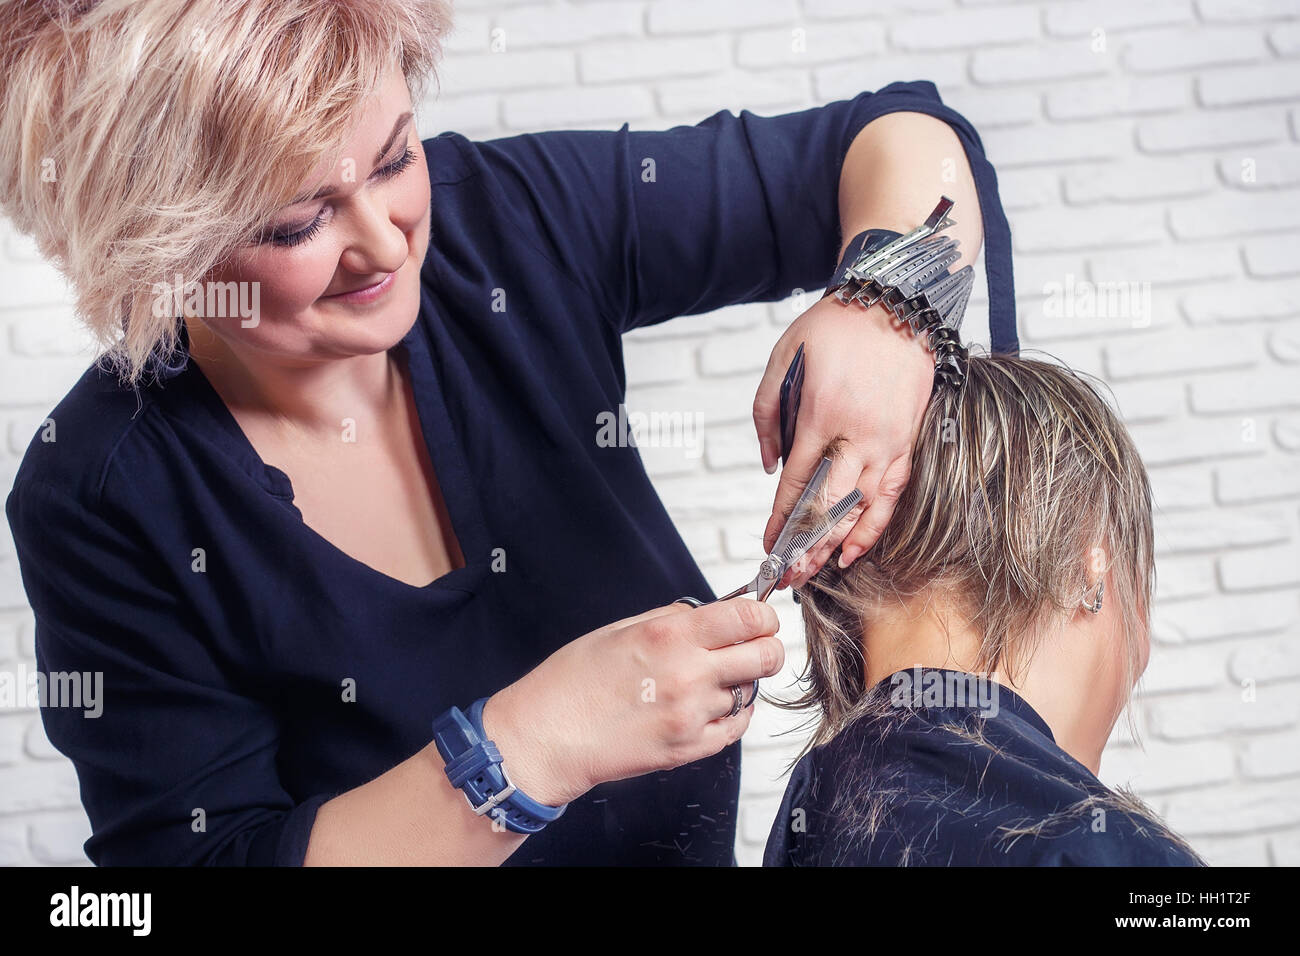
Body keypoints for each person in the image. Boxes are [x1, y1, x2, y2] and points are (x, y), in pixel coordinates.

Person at [1, 0, 1018, 865]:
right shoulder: (104, 492)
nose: (382, 238)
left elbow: (903, 141)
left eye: (394, 157)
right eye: (295, 223)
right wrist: (527, 746)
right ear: (158, 249)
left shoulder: (505, 229)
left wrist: (893, 304)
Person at [763, 353, 1207, 866]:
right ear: (1090, 570)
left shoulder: (810, 825)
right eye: (1139, 591)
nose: (1141, 652)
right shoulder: (1099, 852)